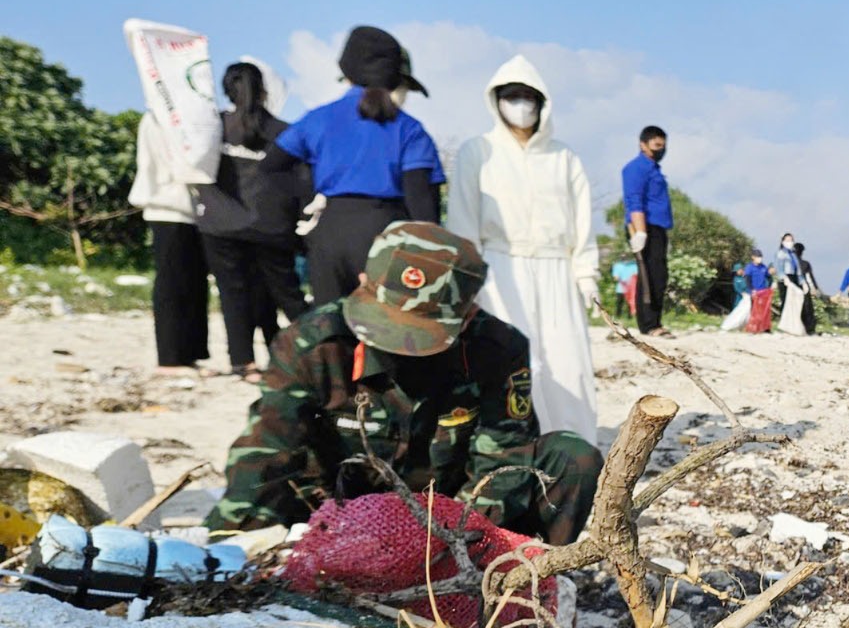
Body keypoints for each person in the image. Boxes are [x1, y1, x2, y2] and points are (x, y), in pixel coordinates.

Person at [203, 222, 600, 546]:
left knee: (570, 457)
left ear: (466, 316)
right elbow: (267, 449)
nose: (401, 348)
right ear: (362, 283)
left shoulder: (498, 349)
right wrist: (229, 547)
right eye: (385, 324)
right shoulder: (313, 344)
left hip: (447, 511)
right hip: (335, 511)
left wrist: (450, 544)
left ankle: (526, 576)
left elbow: (502, 460)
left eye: (419, 334)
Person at [446, 55, 602, 443]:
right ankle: (512, 446)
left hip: (556, 269)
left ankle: (572, 447)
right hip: (498, 268)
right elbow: (463, 222)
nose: (521, 104)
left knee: (568, 365)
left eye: (529, 96)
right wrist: (468, 280)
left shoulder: (564, 157)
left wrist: (586, 274)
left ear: (543, 101)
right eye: (512, 95)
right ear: (496, 100)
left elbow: (583, 221)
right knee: (509, 361)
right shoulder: (477, 151)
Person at [268, 26, 442, 306]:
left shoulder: (318, 119)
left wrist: (308, 198)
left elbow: (271, 167)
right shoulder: (409, 128)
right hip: (385, 234)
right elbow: (420, 200)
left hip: (329, 232)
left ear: (346, 71)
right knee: (384, 333)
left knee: (331, 333)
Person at [196, 58, 310, 382]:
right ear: (263, 91)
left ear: (227, 91)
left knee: (233, 293)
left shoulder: (214, 128)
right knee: (288, 296)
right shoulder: (284, 133)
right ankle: (317, 355)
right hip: (272, 227)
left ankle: (243, 364)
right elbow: (302, 182)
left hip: (219, 224)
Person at [130, 107, 208, 374]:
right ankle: (170, 358)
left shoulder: (194, 115)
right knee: (172, 283)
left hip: (193, 211)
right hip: (166, 206)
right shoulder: (156, 118)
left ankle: (188, 353)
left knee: (194, 284)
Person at [622, 127, 672, 336]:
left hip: (658, 227)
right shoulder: (636, 168)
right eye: (657, 145)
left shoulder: (654, 168)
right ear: (643, 144)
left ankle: (656, 321)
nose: (661, 149)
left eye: (663, 146)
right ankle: (649, 325)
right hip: (644, 227)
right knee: (649, 276)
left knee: (660, 275)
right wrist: (640, 232)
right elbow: (634, 200)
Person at [743, 249, 774, 333]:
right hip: (754, 292)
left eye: (760, 257)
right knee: (755, 310)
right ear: (753, 257)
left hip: (763, 292)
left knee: (765, 310)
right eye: (758, 257)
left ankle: (766, 328)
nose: (759, 258)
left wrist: (769, 287)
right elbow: (747, 279)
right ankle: (754, 328)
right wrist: (752, 289)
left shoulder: (763, 267)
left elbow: (769, 277)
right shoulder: (749, 267)